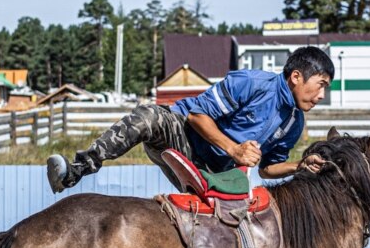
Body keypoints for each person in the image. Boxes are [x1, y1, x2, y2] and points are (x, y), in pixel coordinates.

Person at [46, 46, 335, 193]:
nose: (322, 95)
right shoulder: (251, 82)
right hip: (182, 136)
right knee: (148, 115)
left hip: (212, 172)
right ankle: (75, 171)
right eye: (321, 84)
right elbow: (197, 116)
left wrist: (299, 166)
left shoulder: (294, 124)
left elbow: (267, 170)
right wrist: (234, 149)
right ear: (296, 77)